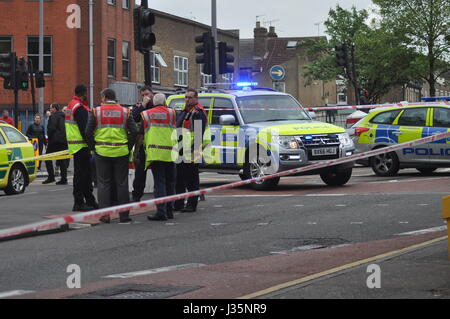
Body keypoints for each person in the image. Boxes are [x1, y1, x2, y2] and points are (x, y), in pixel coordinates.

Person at [85, 88, 137, 223]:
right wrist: (128, 147)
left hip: (102, 151)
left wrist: (94, 147)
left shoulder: (96, 111)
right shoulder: (125, 111)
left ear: (104, 97)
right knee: (122, 183)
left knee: (103, 184)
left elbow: (87, 132)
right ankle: (124, 215)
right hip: (121, 151)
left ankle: (105, 215)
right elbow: (134, 131)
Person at [134, 93, 177, 221]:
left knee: (160, 183)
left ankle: (161, 211)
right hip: (171, 152)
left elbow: (141, 135)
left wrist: (136, 151)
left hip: (155, 153)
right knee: (170, 183)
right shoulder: (172, 113)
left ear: (153, 102)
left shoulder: (146, 114)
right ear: (164, 102)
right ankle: (170, 210)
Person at [174, 88, 210, 213]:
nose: (187, 99)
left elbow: (199, 135)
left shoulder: (197, 112)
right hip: (181, 149)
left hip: (192, 150)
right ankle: (178, 203)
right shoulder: (185, 111)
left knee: (191, 180)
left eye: (190, 97)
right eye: (186, 97)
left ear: (196, 98)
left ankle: (191, 204)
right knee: (179, 179)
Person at [65, 84, 98, 212]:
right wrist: (93, 145)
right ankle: (80, 202)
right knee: (83, 176)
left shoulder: (71, 105)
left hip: (76, 144)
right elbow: (85, 129)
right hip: (82, 145)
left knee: (81, 175)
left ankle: (88, 200)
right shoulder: (79, 107)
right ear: (84, 93)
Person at [131, 86, 155, 202]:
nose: (145, 97)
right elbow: (133, 117)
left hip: (156, 145)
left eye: (147, 94)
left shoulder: (158, 106)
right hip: (143, 145)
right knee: (140, 173)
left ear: (152, 94)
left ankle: (161, 197)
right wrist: (143, 105)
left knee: (159, 173)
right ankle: (136, 196)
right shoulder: (139, 107)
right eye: (143, 95)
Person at [42, 103, 69, 185]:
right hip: (64, 141)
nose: (50, 110)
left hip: (55, 141)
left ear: (54, 108)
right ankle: (64, 178)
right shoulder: (63, 116)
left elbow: (51, 129)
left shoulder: (53, 116)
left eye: (50, 108)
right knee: (62, 159)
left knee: (47, 157)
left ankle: (51, 177)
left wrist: (49, 139)